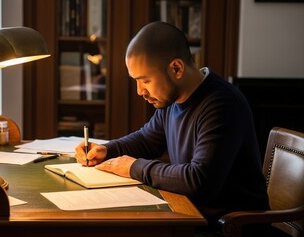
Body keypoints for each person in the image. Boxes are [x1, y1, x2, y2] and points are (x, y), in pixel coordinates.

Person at [75, 22, 269, 234]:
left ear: (176, 68)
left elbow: (199, 181)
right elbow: (147, 140)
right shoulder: (172, 99)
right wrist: (108, 150)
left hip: (228, 228)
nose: (140, 91)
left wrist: (133, 167)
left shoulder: (222, 105)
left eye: (145, 80)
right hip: (189, 216)